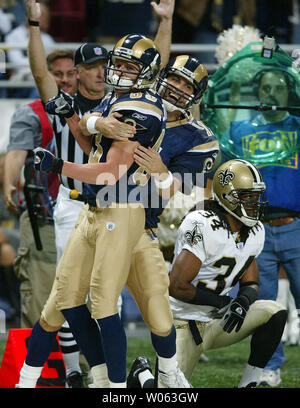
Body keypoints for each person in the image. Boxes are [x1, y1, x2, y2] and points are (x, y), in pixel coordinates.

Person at [16, 0, 176, 389]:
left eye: (126, 67)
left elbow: (108, 171)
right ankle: (27, 381)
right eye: (115, 64)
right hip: (90, 208)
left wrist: (57, 166)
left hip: (120, 208)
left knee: (110, 304)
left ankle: (123, 387)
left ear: (146, 74)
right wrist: (78, 116)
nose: (116, 72)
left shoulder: (142, 107)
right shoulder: (114, 99)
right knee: (59, 303)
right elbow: (94, 145)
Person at [128, 159, 287, 388]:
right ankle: (142, 374)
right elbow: (177, 285)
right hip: (184, 322)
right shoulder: (202, 223)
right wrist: (222, 302)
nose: (255, 203)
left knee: (275, 312)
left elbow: (251, 281)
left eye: (256, 197)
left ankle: (248, 384)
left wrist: (242, 301)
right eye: (248, 197)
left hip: (217, 320)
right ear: (228, 196)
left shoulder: (255, 231)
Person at [211, 67, 300, 387]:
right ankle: (269, 368)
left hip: (296, 227)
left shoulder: (299, 125)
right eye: (266, 88)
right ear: (258, 93)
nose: (272, 94)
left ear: (289, 93)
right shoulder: (239, 130)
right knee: (266, 306)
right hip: (256, 229)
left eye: (279, 88)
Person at [4, 0, 55, 98]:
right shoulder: (13, 36)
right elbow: (16, 63)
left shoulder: (48, 38)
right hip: (21, 81)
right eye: (42, 15)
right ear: (28, 15)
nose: (45, 19)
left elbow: (52, 62)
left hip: (43, 77)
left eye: (46, 16)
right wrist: (40, 66)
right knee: (39, 83)